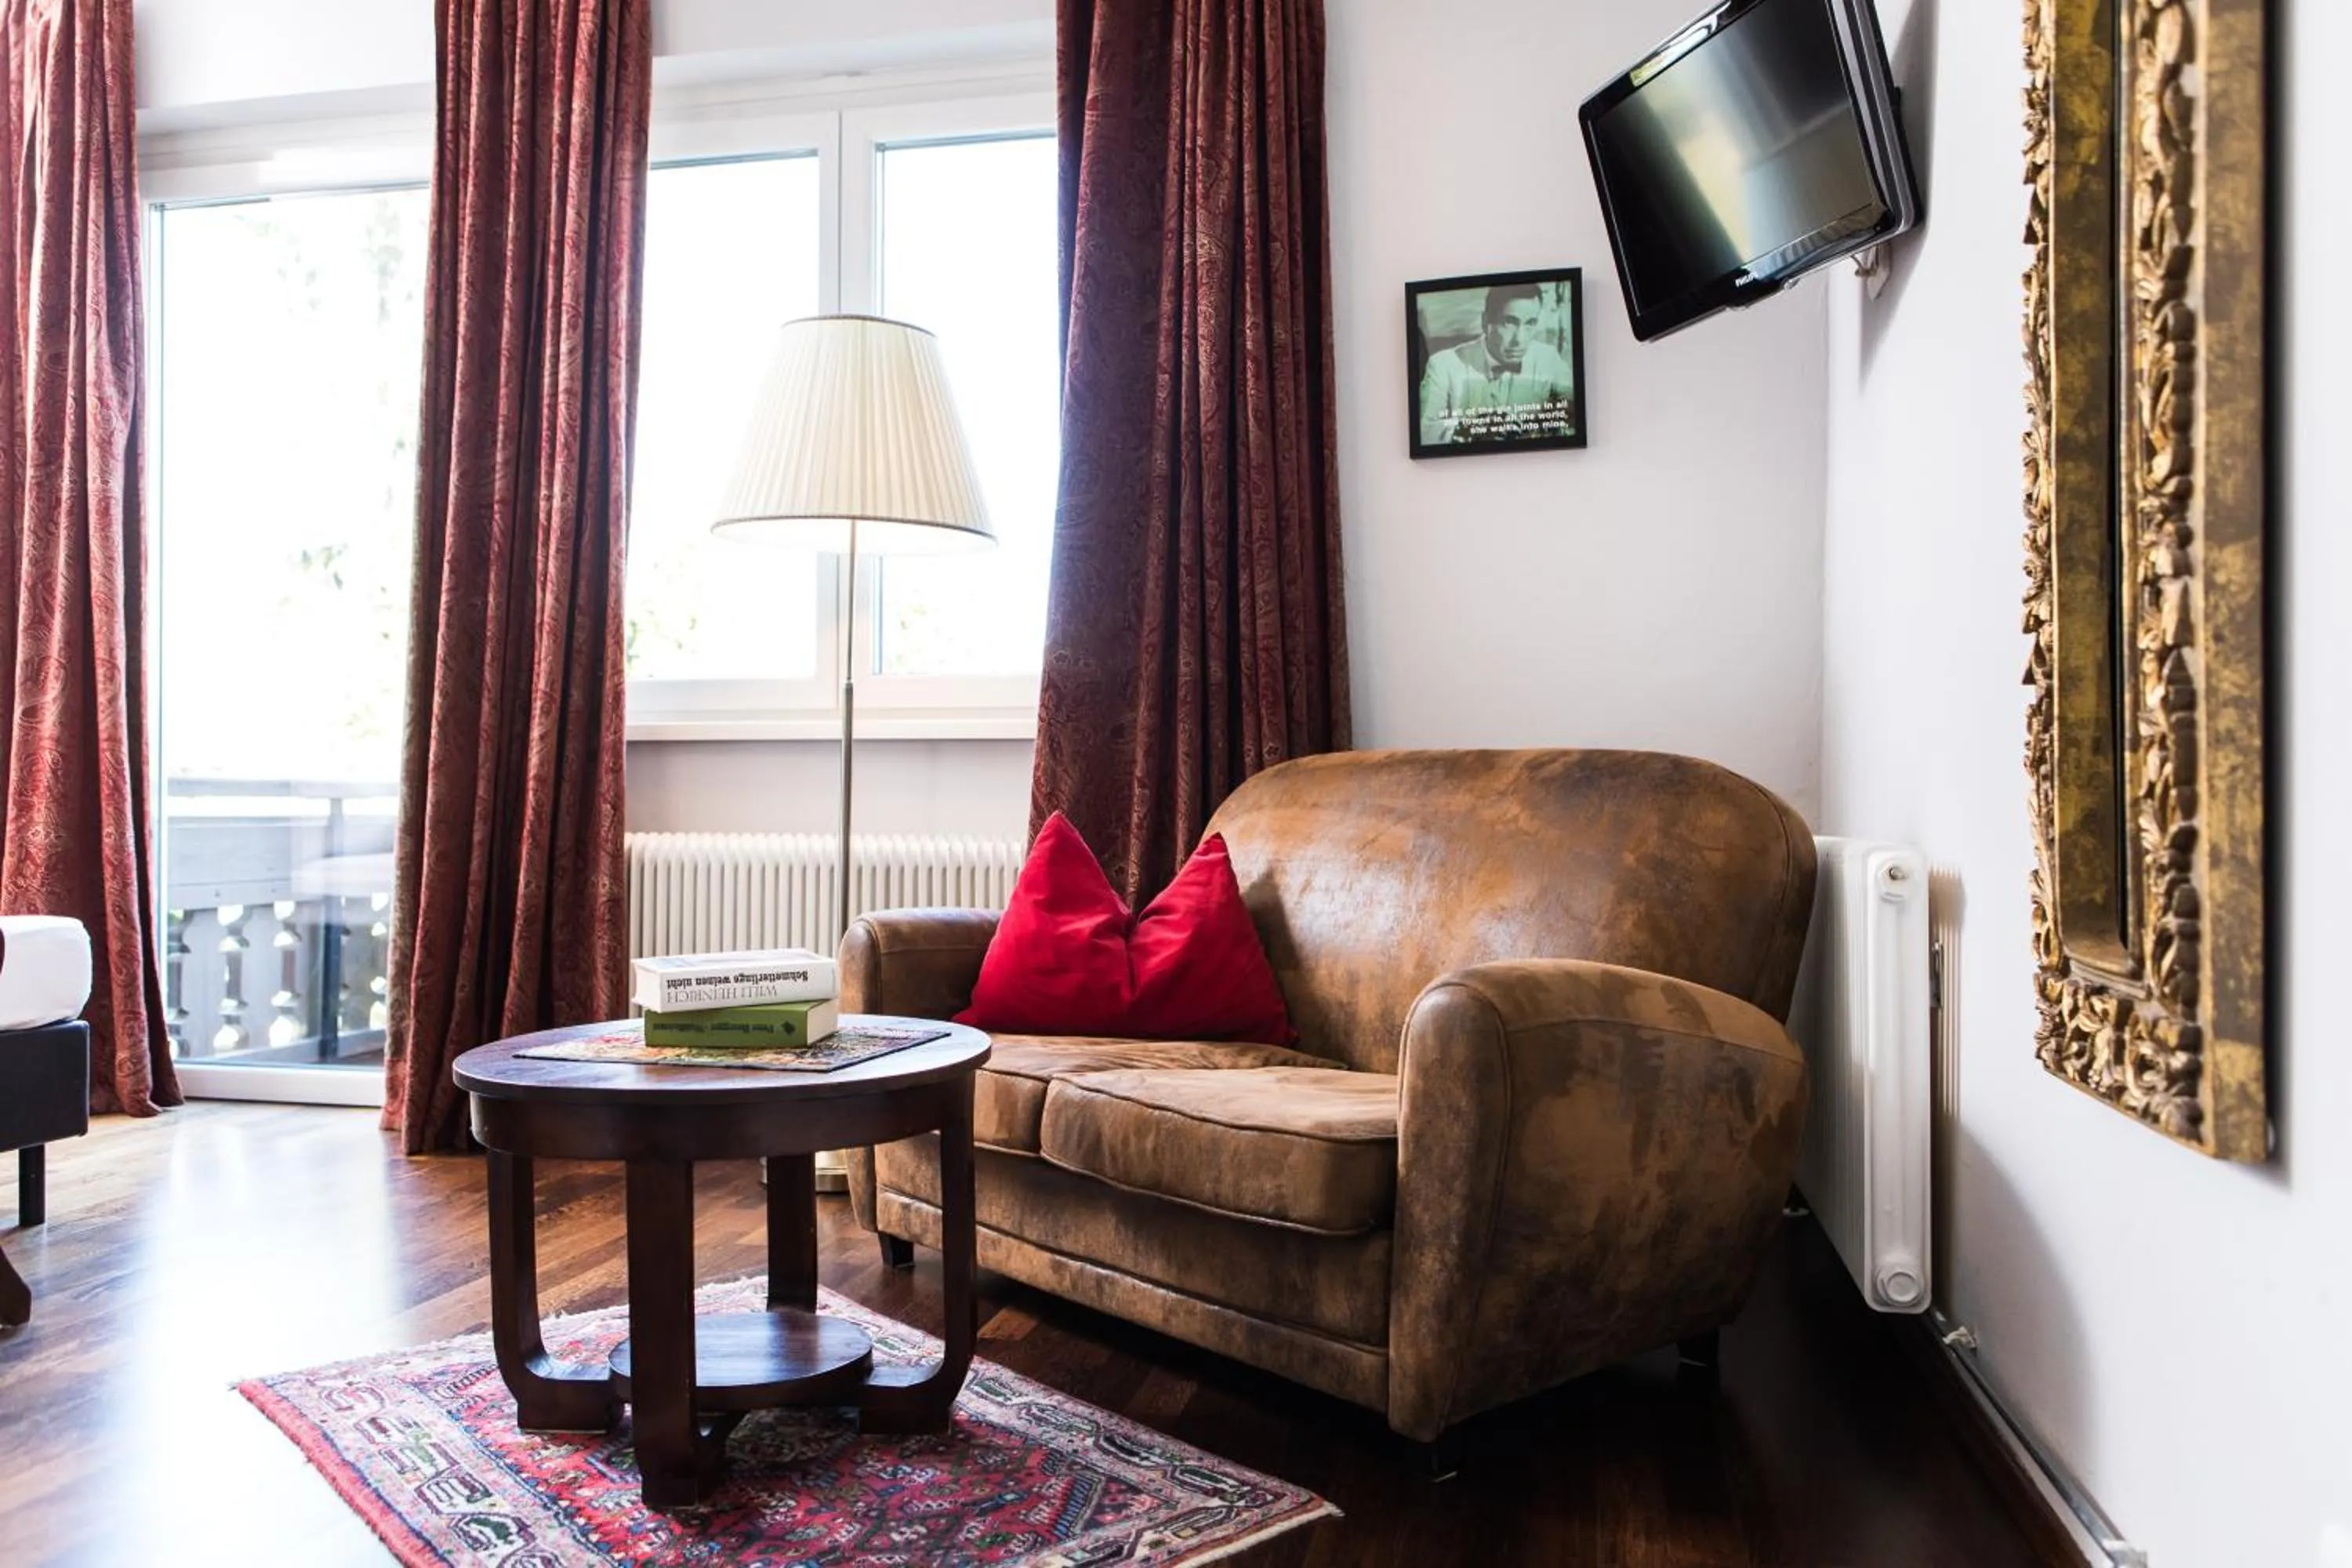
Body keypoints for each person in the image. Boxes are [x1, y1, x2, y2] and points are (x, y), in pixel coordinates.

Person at [1417, 283, 1577, 446]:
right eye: (1509, 322)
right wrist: (1470, 430)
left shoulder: (1547, 358)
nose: (1519, 340)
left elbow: (1578, 415)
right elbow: (1424, 434)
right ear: (1486, 322)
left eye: (1530, 323)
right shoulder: (1443, 365)